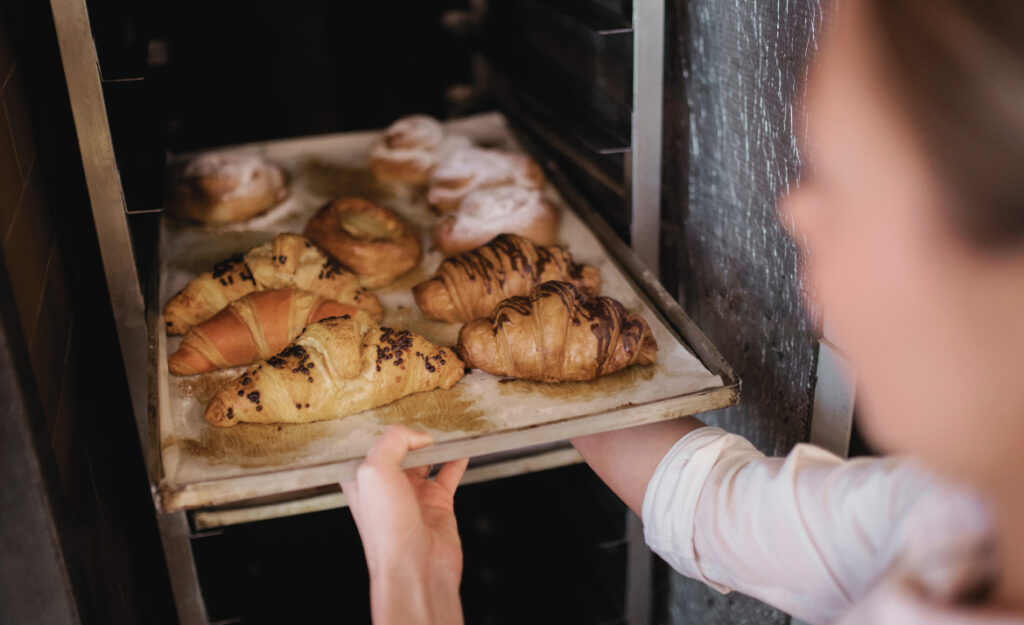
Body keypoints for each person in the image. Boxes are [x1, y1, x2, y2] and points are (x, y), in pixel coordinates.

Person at [340, 0, 1024, 622]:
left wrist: (407, 592)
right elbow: (710, 501)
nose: (793, 212)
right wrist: (417, 576)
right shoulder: (942, 519)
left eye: (839, 179)